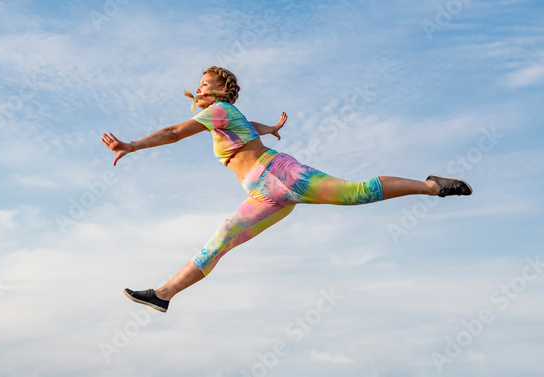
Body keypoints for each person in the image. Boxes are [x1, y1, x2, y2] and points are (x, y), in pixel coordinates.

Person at [102, 66, 472, 313]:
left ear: (222, 90)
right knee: (219, 240)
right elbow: (251, 125)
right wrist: (270, 128)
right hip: (264, 194)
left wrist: (130, 146)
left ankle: (430, 186)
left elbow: (173, 133)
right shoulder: (227, 117)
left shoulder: (217, 111)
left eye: (206, 80)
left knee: (356, 192)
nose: (199, 85)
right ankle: (164, 296)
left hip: (281, 174)